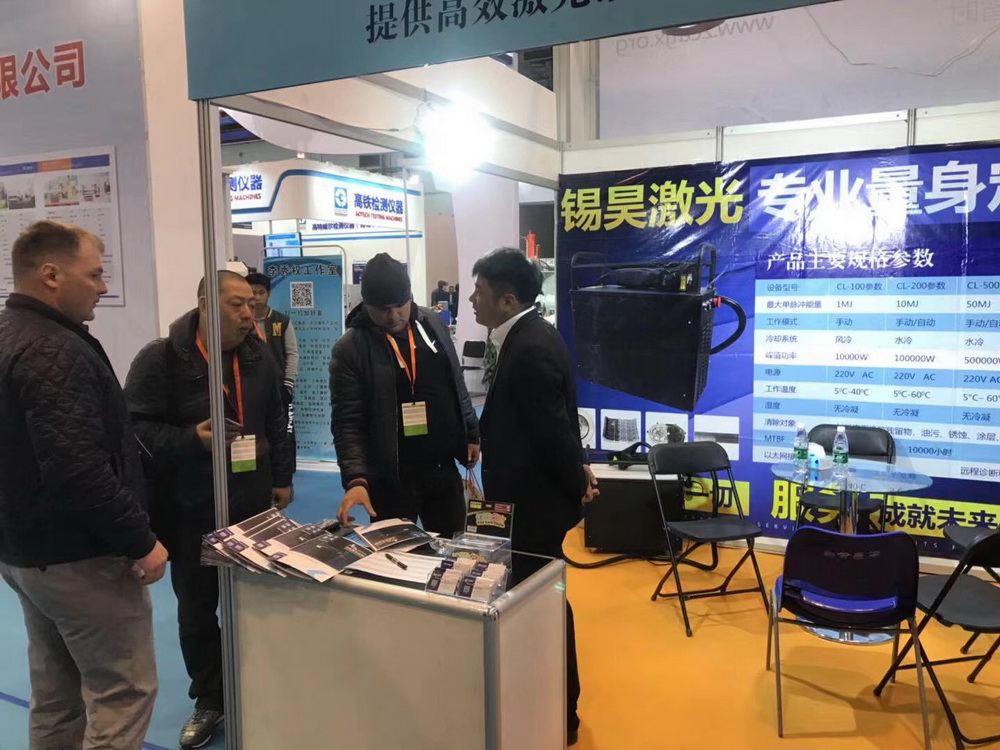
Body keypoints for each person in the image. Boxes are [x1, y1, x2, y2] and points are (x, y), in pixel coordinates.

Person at [0, 220, 167, 749]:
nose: (103, 286)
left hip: (27, 554)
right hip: (79, 558)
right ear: (51, 275)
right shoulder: (54, 350)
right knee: (124, 692)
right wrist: (141, 541)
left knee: (57, 695)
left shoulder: (11, 334)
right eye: (94, 274)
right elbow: (79, 472)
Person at [125, 270, 293, 749]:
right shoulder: (162, 359)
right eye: (236, 305)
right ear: (204, 305)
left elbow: (276, 419)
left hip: (252, 505)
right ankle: (210, 699)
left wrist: (282, 476)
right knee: (198, 612)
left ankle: (261, 689)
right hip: (189, 511)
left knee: (258, 605)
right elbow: (134, 429)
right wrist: (190, 441)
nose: (247, 314)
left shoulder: (260, 356)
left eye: (251, 306)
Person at [470, 247, 598, 748]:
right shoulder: (528, 336)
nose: (472, 300)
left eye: (479, 292)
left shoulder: (529, 349)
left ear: (507, 299)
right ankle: (547, 701)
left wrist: (576, 483)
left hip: (534, 508)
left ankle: (561, 712)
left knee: (543, 605)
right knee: (535, 601)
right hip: (528, 500)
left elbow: (554, 433)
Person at [331, 253, 479, 535]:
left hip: (442, 466)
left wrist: (471, 432)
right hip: (390, 477)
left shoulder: (431, 323)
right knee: (396, 555)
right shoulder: (351, 347)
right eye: (383, 309)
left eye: (400, 305)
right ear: (367, 304)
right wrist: (356, 479)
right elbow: (347, 421)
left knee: (453, 549)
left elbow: (455, 382)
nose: (394, 315)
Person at [247, 271, 298, 467]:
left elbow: (292, 353)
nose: (257, 297)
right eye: (252, 293)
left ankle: (286, 473)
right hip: (251, 388)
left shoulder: (282, 321)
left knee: (285, 433)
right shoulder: (242, 321)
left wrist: (288, 385)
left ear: (268, 294)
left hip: (279, 388)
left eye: (261, 292)